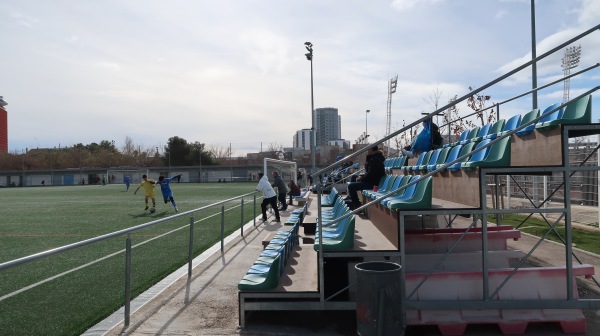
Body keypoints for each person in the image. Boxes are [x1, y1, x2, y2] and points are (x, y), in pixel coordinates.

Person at [347, 145, 386, 210]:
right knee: (354, 177)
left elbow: (371, 175)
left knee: (351, 186)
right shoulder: (373, 158)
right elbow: (369, 173)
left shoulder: (375, 160)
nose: (367, 151)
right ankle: (351, 198)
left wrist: (361, 178)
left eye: (368, 149)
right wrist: (361, 177)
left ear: (372, 151)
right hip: (371, 180)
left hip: (373, 183)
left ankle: (357, 205)